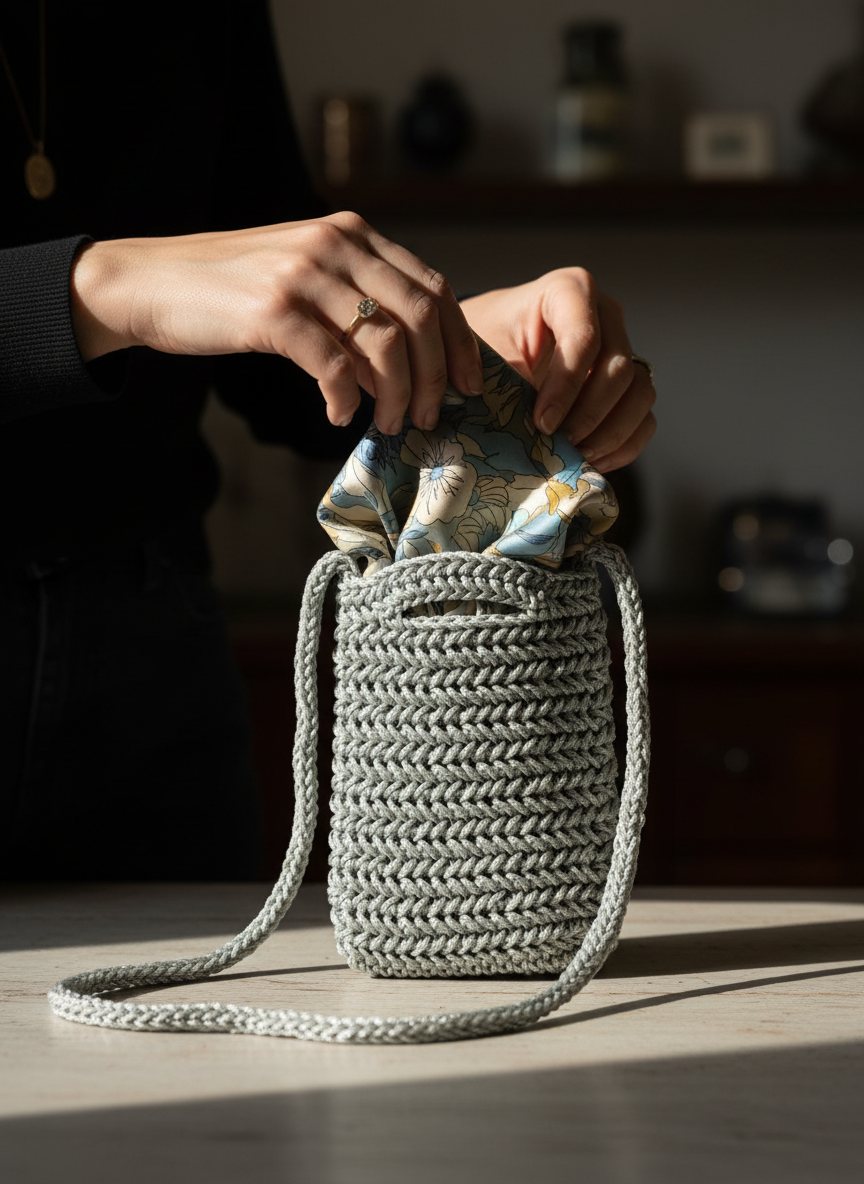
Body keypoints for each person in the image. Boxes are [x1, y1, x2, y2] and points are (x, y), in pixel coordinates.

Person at [1, 0, 655, 880]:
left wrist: (466, 349)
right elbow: (191, 287)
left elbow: (287, 359)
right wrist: (106, 288)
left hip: (154, 652)